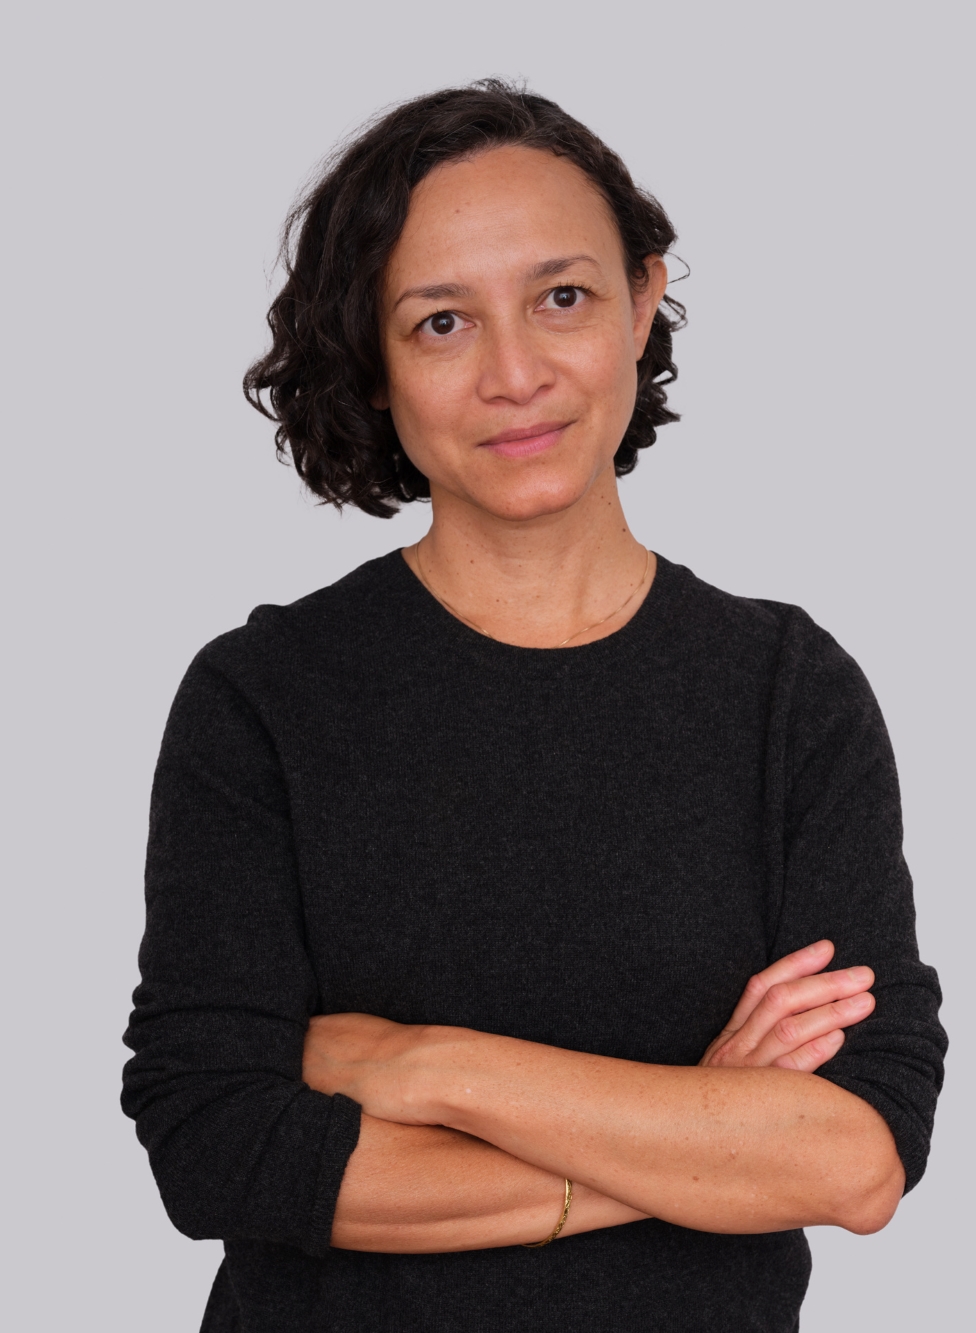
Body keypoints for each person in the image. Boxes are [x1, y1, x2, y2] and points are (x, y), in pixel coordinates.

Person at [122, 81, 947, 1332]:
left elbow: (855, 1157)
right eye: (441, 321)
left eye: (561, 298)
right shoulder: (266, 699)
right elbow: (221, 1148)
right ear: (377, 361)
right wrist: (696, 1135)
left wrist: (420, 1066)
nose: (514, 373)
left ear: (641, 303)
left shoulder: (789, 694)